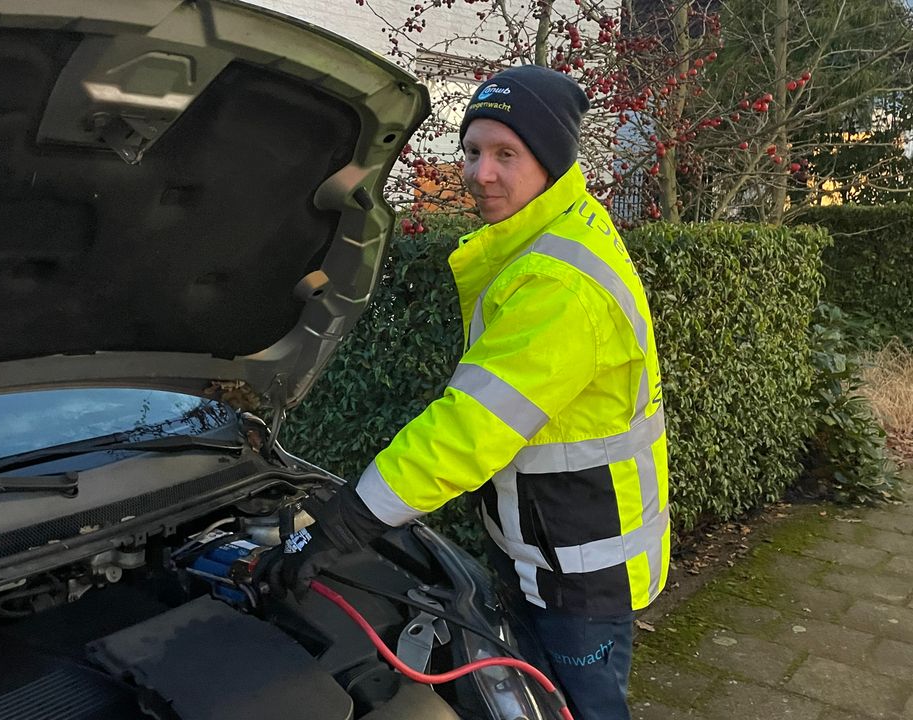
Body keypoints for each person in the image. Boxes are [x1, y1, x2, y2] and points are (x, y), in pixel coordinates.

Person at [273, 65, 669, 720]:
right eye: (473, 150)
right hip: (553, 550)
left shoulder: (558, 282)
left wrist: (349, 519)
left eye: (505, 154)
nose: (479, 172)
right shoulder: (548, 238)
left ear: (550, 160)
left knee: (582, 709)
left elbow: (469, 430)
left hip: (579, 575)